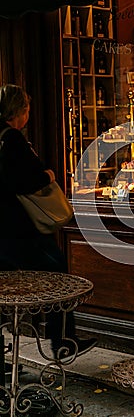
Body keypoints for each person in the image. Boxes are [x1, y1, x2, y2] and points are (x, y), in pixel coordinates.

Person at [0, 84, 97, 360]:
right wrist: (48, 176)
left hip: (5, 231)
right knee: (57, 273)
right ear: (19, 110)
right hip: (17, 227)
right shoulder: (13, 139)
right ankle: (62, 341)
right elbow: (20, 181)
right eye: (27, 108)